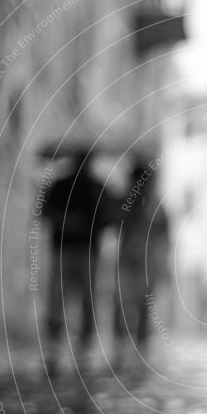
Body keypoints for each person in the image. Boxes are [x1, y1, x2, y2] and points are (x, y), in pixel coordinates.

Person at [43, 151, 114, 375]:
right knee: (59, 296)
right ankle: (56, 341)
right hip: (64, 249)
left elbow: (109, 216)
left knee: (85, 297)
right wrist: (67, 222)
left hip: (86, 251)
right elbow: (46, 212)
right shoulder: (61, 185)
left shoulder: (97, 187)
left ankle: (83, 343)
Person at [113, 162, 170, 363]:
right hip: (129, 260)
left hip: (147, 261)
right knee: (122, 302)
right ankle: (122, 344)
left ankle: (139, 346)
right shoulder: (127, 203)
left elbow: (165, 236)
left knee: (143, 305)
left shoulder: (156, 205)